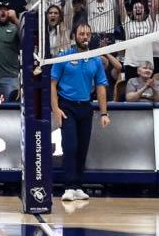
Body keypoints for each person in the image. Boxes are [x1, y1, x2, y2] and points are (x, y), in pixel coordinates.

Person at [51, 22, 111, 202]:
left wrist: (104, 113)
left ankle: (78, 186)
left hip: (86, 107)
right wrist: (56, 109)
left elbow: (101, 87)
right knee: (70, 146)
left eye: (88, 34)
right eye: (81, 34)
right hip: (67, 105)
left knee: (82, 148)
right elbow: (52, 84)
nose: (85, 37)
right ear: (74, 36)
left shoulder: (95, 59)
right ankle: (68, 186)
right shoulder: (63, 56)